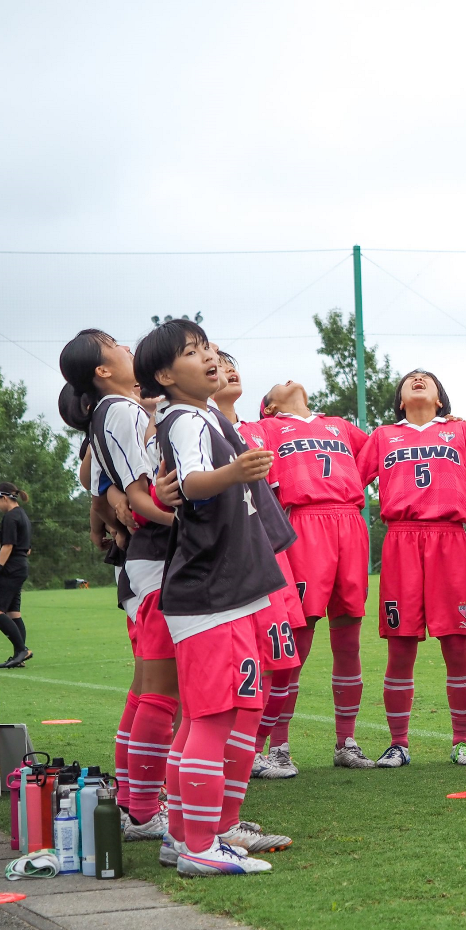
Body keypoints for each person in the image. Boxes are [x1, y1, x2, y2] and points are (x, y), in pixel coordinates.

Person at [135, 319, 281, 876]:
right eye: (195, 353)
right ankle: (200, 846)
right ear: (166, 376)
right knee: (214, 719)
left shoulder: (194, 415)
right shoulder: (188, 418)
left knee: (202, 718)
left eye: (209, 348)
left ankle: (183, 836)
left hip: (220, 592)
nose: (211, 357)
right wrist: (236, 470)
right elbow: (195, 483)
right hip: (211, 594)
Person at [59, 328, 176, 842]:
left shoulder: (118, 411)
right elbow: (141, 495)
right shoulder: (121, 411)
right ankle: (146, 811)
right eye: (116, 345)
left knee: (144, 691)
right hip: (156, 565)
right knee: (160, 695)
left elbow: (112, 495)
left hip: (142, 567)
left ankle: (134, 802)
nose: (129, 348)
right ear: (102, 370)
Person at [356, 369, 466, 767]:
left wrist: (458, 513)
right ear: (399, 401)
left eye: (425, 378)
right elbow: (350, 480)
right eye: (409, 378)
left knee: (458, 645)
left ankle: (462, 741)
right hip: (401, 539)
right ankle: (399, 743)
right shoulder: (382, 436)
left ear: (440, 399)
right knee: (400, 645)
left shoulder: (459, 432)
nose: (416, 379)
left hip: (448, 538)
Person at [256, 379, 375, 769]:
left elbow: (389, 448)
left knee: (349, 639)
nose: (289, 379)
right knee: (297, 643)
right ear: (270, 407)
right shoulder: (267, 428)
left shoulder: (339, 425)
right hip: (303, 524)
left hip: (350, 523)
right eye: (277, 384)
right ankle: (278, 746)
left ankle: (347, 742)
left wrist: (440, 420)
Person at [208, 352, 306, 786]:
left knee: (282, 660)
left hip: (273, 553)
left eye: (232, 364)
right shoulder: (198, 425)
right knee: (245, 661)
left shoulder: (262, 429)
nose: (228, 370)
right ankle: (227, 756)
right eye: (214, 363)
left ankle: (257, 748)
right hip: (233, 556)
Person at [0, 482, 32, 668]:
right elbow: (28, 549)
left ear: (4, 498)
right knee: (13, 612)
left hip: (11, 569)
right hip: (21, 566)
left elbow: (8, 545)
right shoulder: (23, 516)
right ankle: (19, 655)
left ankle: (22, 650)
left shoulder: (10, 517)